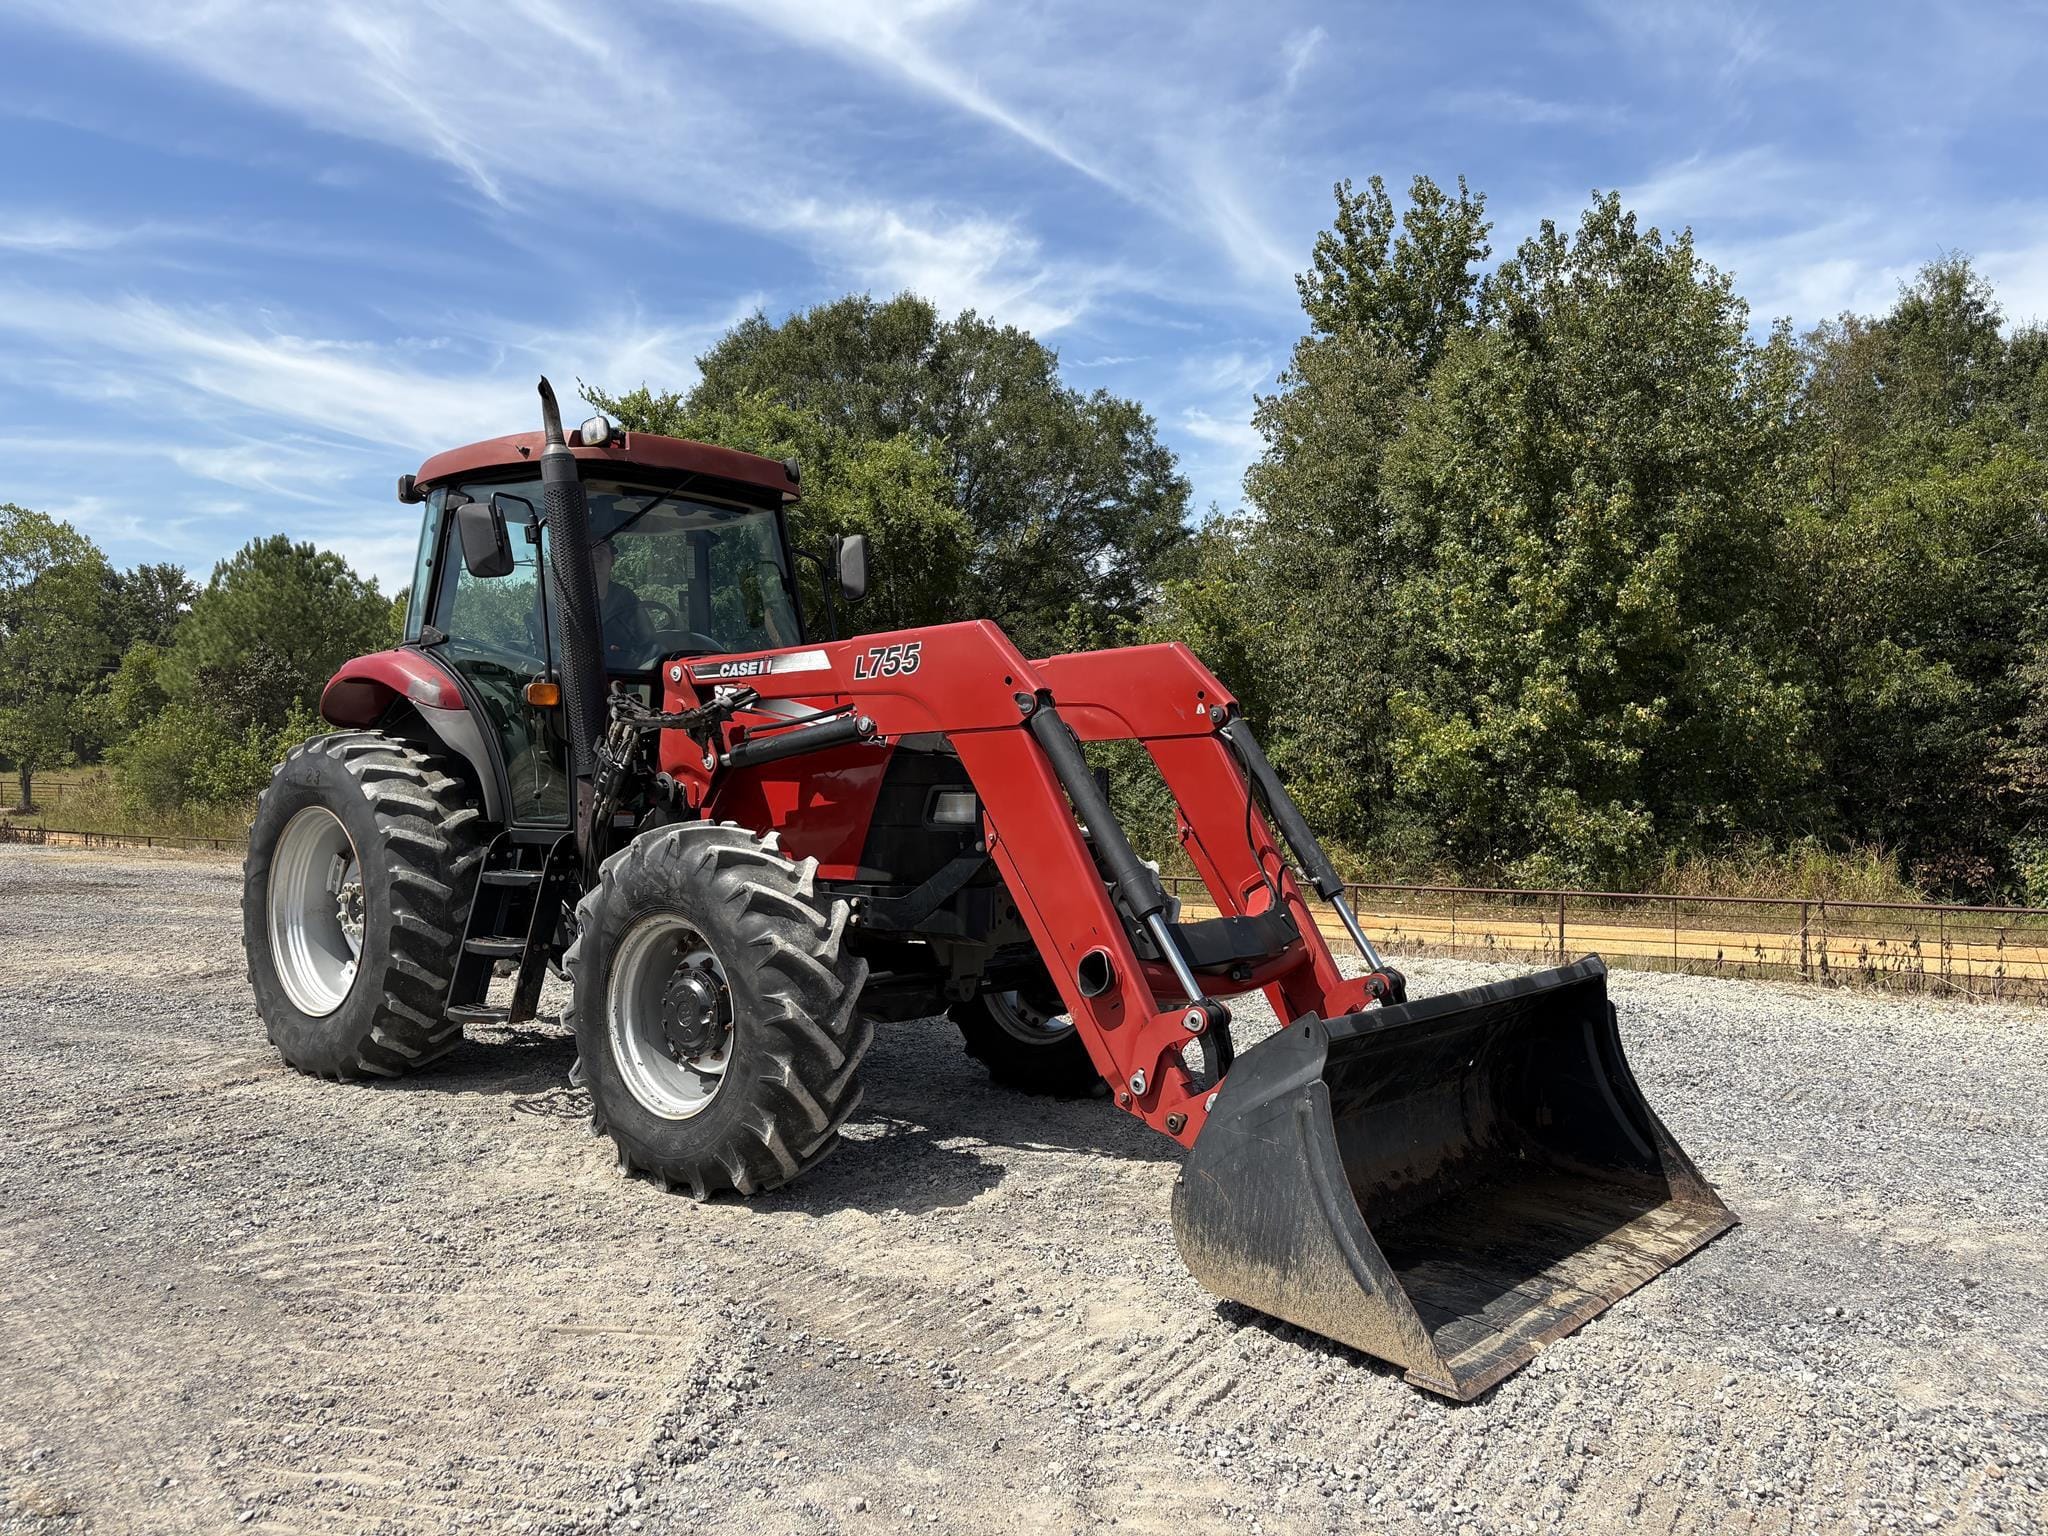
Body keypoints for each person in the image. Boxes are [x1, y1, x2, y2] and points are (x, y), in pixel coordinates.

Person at [590, 537, 656, 670]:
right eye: (591, 550)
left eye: (601, 549)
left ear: (612, 560)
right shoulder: (568, 600)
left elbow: (647, 641)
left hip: (624, 672)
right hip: (584, 673)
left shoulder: (626, 597)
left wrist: (628, 652)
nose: (596, 555)